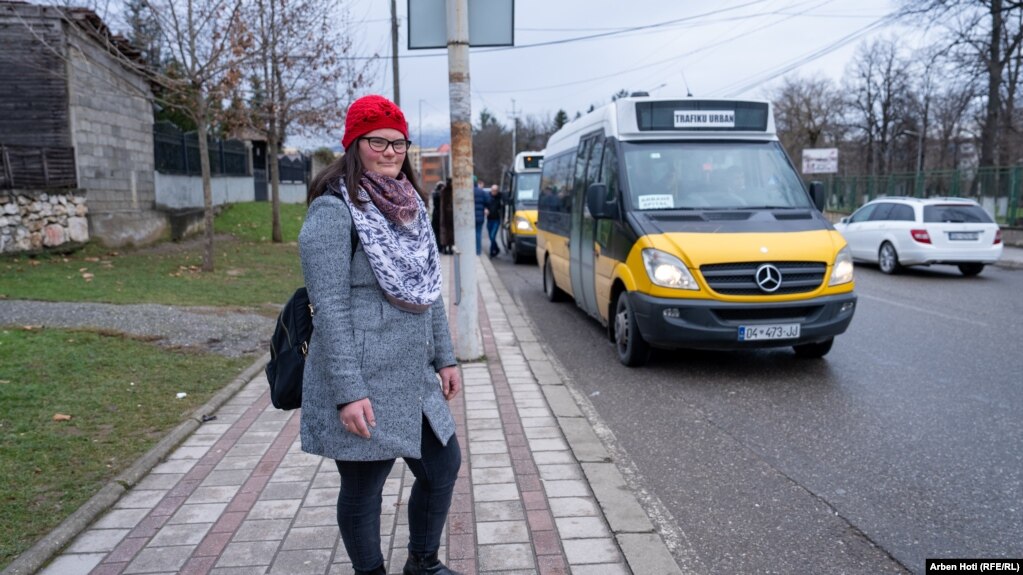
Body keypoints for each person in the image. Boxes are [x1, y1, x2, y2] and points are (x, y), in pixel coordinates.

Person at [299, 94, 463, 575]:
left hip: (412, 376)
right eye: (379, 142)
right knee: (364, 490)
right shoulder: (333, 212)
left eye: (399, 142)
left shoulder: (409, 206)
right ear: (354, 144)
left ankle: (423, 563)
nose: (392, 152)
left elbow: (426, 288)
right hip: (363, 377)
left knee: (443, 467)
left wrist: (446, 358)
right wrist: (349, 392)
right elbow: (327, 308)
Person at [485, 184, 503, 257]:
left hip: (496, 219)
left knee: (492, 236)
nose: (493, 192)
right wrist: (485, 209)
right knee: (490, 236)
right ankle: (497, 248)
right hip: (489, 219)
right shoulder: (488, 197)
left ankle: (491, 252)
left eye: (495, 190)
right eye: (492, 190)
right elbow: (485, 204)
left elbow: (502, 206)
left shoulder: (500, 197)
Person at [472, 178, 488, 255]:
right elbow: (488, 200)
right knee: (478, 233)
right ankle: (478, 251)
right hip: (480, 216)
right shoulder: (481, 192)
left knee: (470, 234)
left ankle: (471, 249)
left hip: (470, 217)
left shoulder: (468, 192)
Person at [439, 178, 454, 254]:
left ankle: (445, 248)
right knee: (450, 232)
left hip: (444, 214)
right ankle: (449, 248)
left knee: (445, 232)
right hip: (451, 215)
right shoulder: (452, 191)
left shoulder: (443, 191)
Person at [430, 181, 444, 252]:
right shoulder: (443, 195)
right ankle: (441, 247)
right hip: (442, 215)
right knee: (441, 232)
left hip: (436, 214)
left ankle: (438, 247)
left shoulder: (434, 194)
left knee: (436, 232)